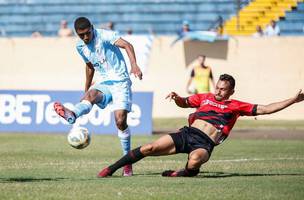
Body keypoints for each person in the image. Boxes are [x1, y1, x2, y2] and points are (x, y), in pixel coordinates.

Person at [97, 74, 304, 178]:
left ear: (231, 91)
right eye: (218, 87)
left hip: (204, 144)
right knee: (148, 148)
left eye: (223, 89)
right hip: (187, 134)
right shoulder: (204, 97)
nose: (218, 91)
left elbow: (266, 108)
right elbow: (184, 102)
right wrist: (177, 98)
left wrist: (293, 100)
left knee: (195, 160)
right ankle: (111, 169)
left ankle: (181, 173)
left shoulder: (236, 106)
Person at [53, 17, 143, 176]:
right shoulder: (80, 46)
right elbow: (89, 67)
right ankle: (72, 114)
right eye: (82, 35)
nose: (86, 37)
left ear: (92, 28)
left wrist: (134, 65)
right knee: (92, 95)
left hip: (120, 81)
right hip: (104, 82)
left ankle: (127, 162)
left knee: (120, 121)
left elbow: (127, 45)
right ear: (77, 34)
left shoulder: (105, 36)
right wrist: (87, 89)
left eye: (88, 33)